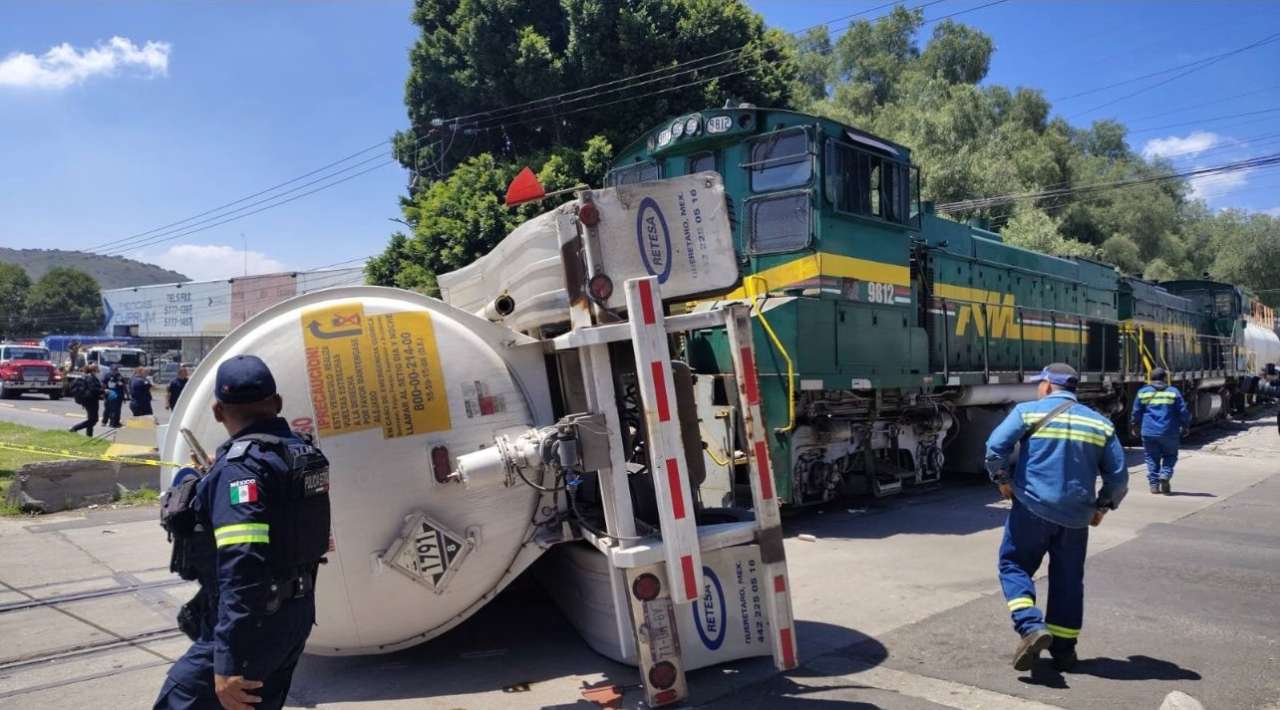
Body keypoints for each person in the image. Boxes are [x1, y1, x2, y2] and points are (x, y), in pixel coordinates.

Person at [155, 355, 330, 710]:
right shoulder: (301, 452)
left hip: (252, 625)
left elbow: (243, 563)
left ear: (218, 411)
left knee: (177, 701)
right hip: (294, 615)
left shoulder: (240, 469)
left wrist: (228, 659)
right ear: (277, 403)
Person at [985, 363, 1129, 673]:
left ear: (1048, 386)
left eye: (1040, 383)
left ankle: (1030, 626)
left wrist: (1002, 479)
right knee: (1068, 580)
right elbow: (1118, 479)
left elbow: (995, 447)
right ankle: (1064, 652)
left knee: (1014, 565)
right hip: (1076, 517)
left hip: (1031, 509)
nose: (1038, 388)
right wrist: (1102, 507)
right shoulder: (1100, 424)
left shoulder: (1027, 412)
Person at [1130, 368, 1191, 495]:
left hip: (1149, 432)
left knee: (1151, 457)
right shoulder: (1173, 392)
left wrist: (1134, 426)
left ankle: (1154, 485)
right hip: (1169, 431)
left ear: (1150, 378)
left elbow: (1136, 412)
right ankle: (1165, 474)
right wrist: (1185, 425)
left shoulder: (1143, 392)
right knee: (1170, 455)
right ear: (1165, 378)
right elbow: (1182, 411)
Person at [69, 365, 103, 437]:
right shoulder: (91, 378)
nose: (98, 371)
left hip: (89, 400)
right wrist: (104, 391)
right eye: (97, 369)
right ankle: (74, 428)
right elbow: (93, 389)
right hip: (91, 401)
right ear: (93, 370)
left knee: (91, 419)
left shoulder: (88, 377)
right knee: (93, 420)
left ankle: (89, 435)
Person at [102, 364, 129, 428]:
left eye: (116, 370)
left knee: (112, 409)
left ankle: (111, 422)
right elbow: (103, 385)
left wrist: (126, 395)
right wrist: (103, 392)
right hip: (113, 394)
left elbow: (123, 386)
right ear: (111, 369)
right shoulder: (109, 376)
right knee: (112, 409)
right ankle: (112, 423)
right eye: (114, 370)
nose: (115, 371)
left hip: (114, 394)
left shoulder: (118, 376)